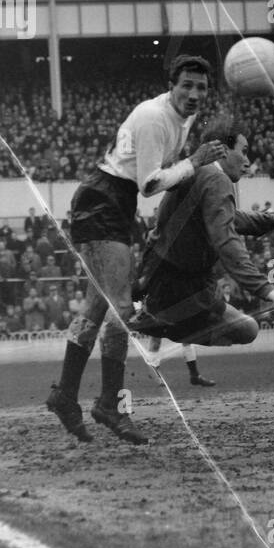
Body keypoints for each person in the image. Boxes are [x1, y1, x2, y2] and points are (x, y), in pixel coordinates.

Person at [46, 55, 225, 445]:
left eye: (201, 88)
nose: (194, 94)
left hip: (116, 203)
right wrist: (194, 163)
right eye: (187, 86)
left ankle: (64, 395)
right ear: (171, 86)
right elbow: (148, 183)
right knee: (120, 309)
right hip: (104, 200)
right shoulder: (153, 117)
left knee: (96, 307)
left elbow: (160, 176)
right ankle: (108, 404)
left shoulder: (182, 117)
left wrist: (189, 170)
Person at [126, 117, 274, 386]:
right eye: (243, 150)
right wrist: (265, 288)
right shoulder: (216, 179)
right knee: (248, 330)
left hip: (167, 276)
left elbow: (230, 219)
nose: (247, 160)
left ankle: (156, 319)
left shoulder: (201, 173)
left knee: (244, 328)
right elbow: (226, 239)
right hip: (177, 283)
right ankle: (161, 321)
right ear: (224, 150)